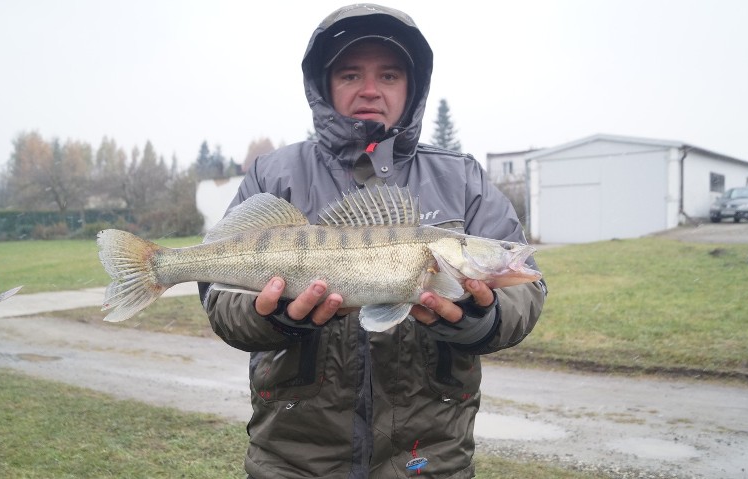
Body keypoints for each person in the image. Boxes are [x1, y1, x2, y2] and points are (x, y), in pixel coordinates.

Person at [199, 4, 546, 478]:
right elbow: (218, 299)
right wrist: (277, 316)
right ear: (324, 86)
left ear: (412, 86)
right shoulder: (272, 174)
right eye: (349, 74)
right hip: (295, 460)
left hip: (427, 460)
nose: (369, 90)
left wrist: (477, 317)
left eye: (388, 75)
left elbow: (526, 294)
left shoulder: (461, 178)